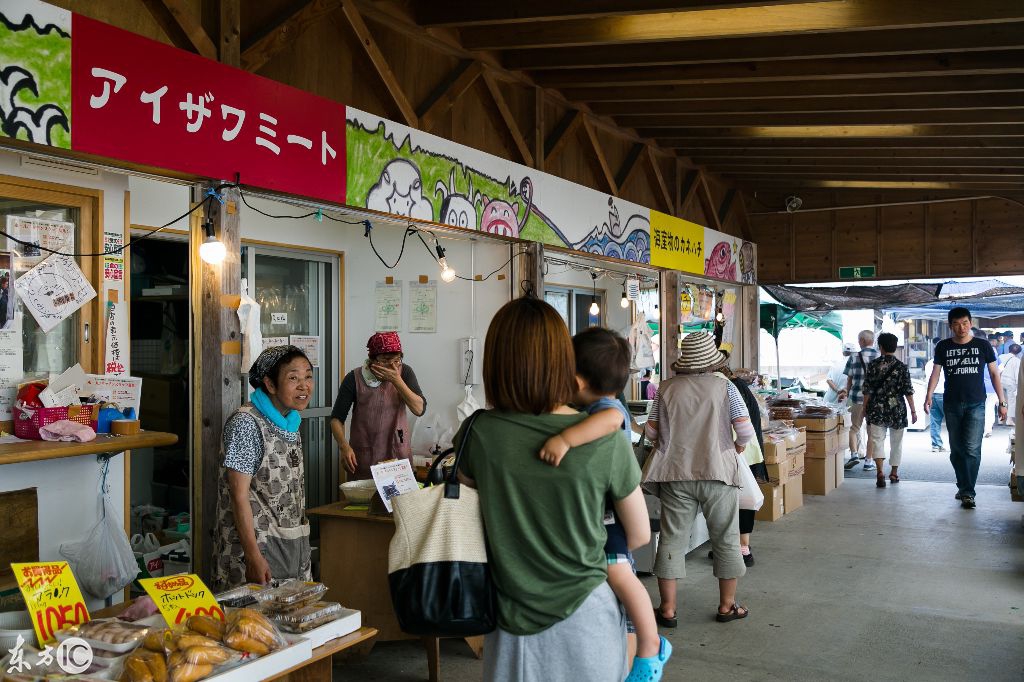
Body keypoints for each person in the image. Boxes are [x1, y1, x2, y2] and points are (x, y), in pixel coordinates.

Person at [456, 298, 668, 682]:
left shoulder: (479, 433)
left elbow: (468, 509)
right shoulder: (604, 437)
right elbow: (638, 535)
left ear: (496, 362)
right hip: (587, 616)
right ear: (563, 361)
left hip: (509, 621)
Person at [537, 328, 669, 680]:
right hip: (608, 511)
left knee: (622, 578)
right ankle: (635, 655)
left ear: (577, 380)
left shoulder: (607, 408)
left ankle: (651, 646)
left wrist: (565, 439)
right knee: (620, 597)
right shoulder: (598, 404)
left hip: (612, 517)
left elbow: (612, 421)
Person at [644, 331, 753, 626]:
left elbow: (651, 434)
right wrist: (735, 449)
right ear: (712, 361)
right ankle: (727, 606)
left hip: (675, 474)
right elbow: (744, 431)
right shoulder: (725, 388)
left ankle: (667, 610)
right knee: (726, 539)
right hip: (718, 473)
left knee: (671, 540)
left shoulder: (665, 388)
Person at [213, 345, 314, 590]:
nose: (304, 386)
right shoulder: (246, 424)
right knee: (251, 625)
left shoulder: (290, 422)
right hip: (254, 551)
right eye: (293, 378)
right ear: (269, 385)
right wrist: (253, 557)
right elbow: (238, 496)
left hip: (291, 546)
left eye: (308, 376)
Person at [925, 307, 1008, 510]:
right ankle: (963, 486)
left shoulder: (983, 345)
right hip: (951, 403)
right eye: (956, 324)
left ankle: (968, 492)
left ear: (970, 323)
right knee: (956, 451)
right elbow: (935, 373)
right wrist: (928, 395)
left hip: (976, 403)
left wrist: (1002, 402)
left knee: (972, 449)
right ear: (950, 326)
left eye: (964, 323)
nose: (961, 327)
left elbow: (995, 374)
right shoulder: (943, 347)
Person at [330, 332, 426, 480]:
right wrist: (344, 446)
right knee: (364, 501)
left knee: (399, 500)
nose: (393, 365)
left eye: (397, 360)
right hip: (364, 454)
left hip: (397, 453)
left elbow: (419, 409)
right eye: (386, 360)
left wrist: (396, 380)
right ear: (372, 359)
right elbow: (336, 419)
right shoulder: (354, 377)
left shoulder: (405, 372)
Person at [719, 362, 769, 567]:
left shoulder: (725, 387)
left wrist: (738, 447)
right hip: (744, 450)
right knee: (742, 498)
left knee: (737, 500)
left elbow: (742, 427)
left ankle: (741, 549)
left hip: (736, 450)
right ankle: (741, 547)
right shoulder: (737, 385)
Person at [862, 333, 917, 487]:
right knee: (897, 442)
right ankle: (894, 473)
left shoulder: (873, 365)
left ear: (880, 347)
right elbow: (908, 391)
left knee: (877, 440)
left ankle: (879, 471)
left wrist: (864, 408)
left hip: (877, 408)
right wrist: (913, 411)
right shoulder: (902, 367)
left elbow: (867, 389)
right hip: (897, 409)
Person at [843, 331, 880, 471]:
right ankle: (868, 462)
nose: (858, 342)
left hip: (856, 398)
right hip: (874, 400)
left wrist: (848, 394)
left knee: (853, 428)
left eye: (859, 340)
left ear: (863, 341)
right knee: (871, 432)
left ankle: (854, 454)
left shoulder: (854, 357)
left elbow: (849, 379)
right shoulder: (879, 356)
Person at [925, 342, 947, 452]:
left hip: (932, 394)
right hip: (945, 394)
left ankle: (936, 445)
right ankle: (955, 445)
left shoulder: (929, 363)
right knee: (953, 421)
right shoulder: (947, 361)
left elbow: (928, 380)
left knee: (935, 421)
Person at [999, 344, 1021, 427]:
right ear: (1018, 352)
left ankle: (1001, 419)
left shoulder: (1001, 356)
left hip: (1000, 381)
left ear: (1008, 349)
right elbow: (1017, 375)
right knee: (1011, 401)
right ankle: (1009, 419)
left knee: (1003, 400)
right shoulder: (1017, 361)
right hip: (1010, 383)